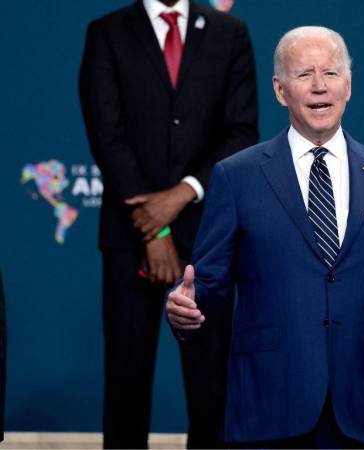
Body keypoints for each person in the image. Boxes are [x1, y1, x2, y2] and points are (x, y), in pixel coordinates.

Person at [166, 26, 364, 449]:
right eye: (303, 75)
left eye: (331, 73)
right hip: (270, 406)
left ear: (348, 87)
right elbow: (207, 283)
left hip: (362, 407)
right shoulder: (236, 176)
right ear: (280, 91)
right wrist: (187, 305)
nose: (319, 87)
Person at [78, 0, 258, 447]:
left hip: (207, 235)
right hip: (129, 236)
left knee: (211, 388)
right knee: (126, 383)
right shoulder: (107, 31)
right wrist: (155, 228)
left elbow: (241, 132)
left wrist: (182, 195)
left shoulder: (229, 31)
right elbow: (106, 132)